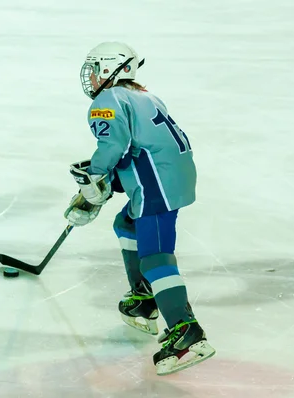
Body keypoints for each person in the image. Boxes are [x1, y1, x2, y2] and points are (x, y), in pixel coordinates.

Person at [64, 41, 216, 376]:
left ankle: (186, 332)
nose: (89, 76)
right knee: (128, 225)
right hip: (169, 175)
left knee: (156, 256)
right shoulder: (144, 96)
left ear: (109, 69)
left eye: (94, 68)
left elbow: (113, 145)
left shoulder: (108, 100)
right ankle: (145, 299)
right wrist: (110, 184)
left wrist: (93, 180)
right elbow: (139, 146)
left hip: (156, 185)